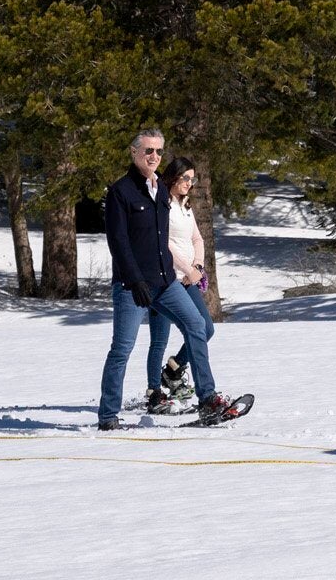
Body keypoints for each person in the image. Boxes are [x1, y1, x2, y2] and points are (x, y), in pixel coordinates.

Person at [97, 130, 245, 430]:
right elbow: (119, 242)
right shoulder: (121, 192)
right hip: (131, 285)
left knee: (198, 327)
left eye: (159, 152)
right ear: (134, 152)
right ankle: (108, 415)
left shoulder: (161, 192)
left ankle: (207, 400)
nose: (154, 156)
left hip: (165, 282)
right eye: (148, 150)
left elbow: (165, 239)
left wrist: (185, 271)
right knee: (122, 348)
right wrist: (134, 279)